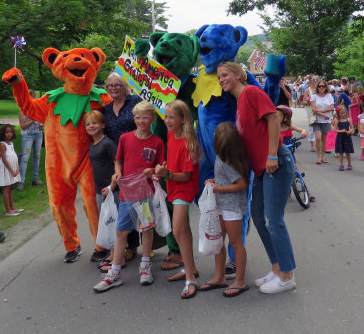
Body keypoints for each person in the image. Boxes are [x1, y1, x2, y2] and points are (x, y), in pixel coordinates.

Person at [217, 62, 296, 294]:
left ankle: (288, 275)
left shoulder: (251, 91)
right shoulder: (239, 100)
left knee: (273, 219)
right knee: (259, 219)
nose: (221, 79)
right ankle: (277, 268)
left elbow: (273, 118)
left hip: (275, 162)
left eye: (225, 75)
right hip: (260, 169)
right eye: (219, 77)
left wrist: (272, 154)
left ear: (239, 75)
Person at [93, 101, 165, 293]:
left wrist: (154, 171)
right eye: (137, 117)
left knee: (146, 229)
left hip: (145, 196)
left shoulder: (157, 142)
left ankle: (145, 265)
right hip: (127, 194)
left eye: (145, 117)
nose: (141, 121)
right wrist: (117, 173)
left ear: (153, 118)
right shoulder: (125, 138)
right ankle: (114, 273)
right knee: (121, 232)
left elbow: (160, 169)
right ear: (133, 119)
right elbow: (119, 160)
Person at [155, 100, 201, 299]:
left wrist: (167, 174)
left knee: (178, 229)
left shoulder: (189, 142)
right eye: (165, 116)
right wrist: (162, 169)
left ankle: (190, 278)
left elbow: (186, 176)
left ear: (183, 119)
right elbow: (173, 163)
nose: (167, 120)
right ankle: (190, 268)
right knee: (185, 231)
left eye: (171, 117)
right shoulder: (171, 135)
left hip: (184, 188)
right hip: (173, 186)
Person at [198, 122, 249, 297]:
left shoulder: (228, 160)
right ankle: (219, 276)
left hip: (231, 207)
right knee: (218, 242)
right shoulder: (225, 158)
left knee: (236, 243)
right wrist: (214, 181)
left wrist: (219, 188)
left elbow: (241, 184)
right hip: (221, 205)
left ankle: (240, 281)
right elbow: (226, 178)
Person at [99, 72, 143, 262]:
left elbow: (147, 119)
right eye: (110, 85)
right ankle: (124, 245)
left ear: (124, 86)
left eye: (117, 85)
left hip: (136, 157)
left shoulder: (135, 102)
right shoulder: (106, 110)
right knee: (120, 202)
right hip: (115, 159)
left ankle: (139, 244)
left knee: (137, 202)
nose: (113, 88)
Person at [84, 110, 118, 267]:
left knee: (114, 222)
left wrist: (112, 186)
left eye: (94, 123)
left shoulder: (108, 143)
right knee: (106, 222)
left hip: (111, 190)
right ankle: (112, 253)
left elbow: (118, 165)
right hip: (99, 190)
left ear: (103, 125)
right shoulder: (92, 145)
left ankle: (116, 256)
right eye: (88, 124)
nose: (91, 126)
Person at [17, 89, 44, 191]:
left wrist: (41, 124)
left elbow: (42, 121)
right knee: (25, 158)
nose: (34, 98)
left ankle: (35, 178)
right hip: (27, 135)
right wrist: (33, 119)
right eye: (32, 97)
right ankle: (21, 181)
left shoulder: (37, 108)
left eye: (35, 96)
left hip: (38, 134)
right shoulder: (23, 109)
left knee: (37, 156)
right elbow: (23, 126)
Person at [0, 124, 24, 216]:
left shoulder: (11, 144)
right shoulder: (2, 144)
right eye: (7, 132)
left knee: (11, 187)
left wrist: (17, 168)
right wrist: (11, 170)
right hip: (7, 168)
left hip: (13, 168)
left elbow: (14, 156)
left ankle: (12, 207)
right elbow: (4, 159)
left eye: (11, 132)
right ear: (3, 133)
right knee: (6, 187)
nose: (9, 134)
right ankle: (8, 210)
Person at [310, 79, 334, 165]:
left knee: (324, 140)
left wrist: (323, 111)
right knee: (318, 138)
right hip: (317, 120)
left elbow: (332, 107)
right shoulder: (314, 96)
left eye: (323, 86)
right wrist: (323, 114)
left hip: (326, 121)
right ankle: (319, 156)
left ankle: (323, 156)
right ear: (317, 87)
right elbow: (314, 109)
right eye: (319, 86)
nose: (321, 87)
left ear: (325, 87)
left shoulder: (329, 96)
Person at [332, 106, 354, 171]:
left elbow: (352, 128)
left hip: (347, 137)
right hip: (340, 138)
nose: (343, 115)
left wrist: (350, 131)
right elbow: (335, 130)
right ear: (338, 113)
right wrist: (341, 131)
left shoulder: (348, 119)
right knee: (340, 152)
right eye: (341, 113)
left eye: (344, 113)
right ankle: (341, 165)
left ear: (346, 112)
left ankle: (349, 164)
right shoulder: (337, 120)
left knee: (348, 152)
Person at [303, 75, 318, 152]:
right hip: (310, 110)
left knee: (321, 125)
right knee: (312, 126)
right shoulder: (308, 90)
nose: (315, 81)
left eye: (316, 79)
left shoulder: (321, 88)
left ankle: (319, 144)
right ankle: (312, 144)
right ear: (310, 80)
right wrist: (308, 101)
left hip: (320, 110)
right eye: (313, 79)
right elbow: (303, 102)